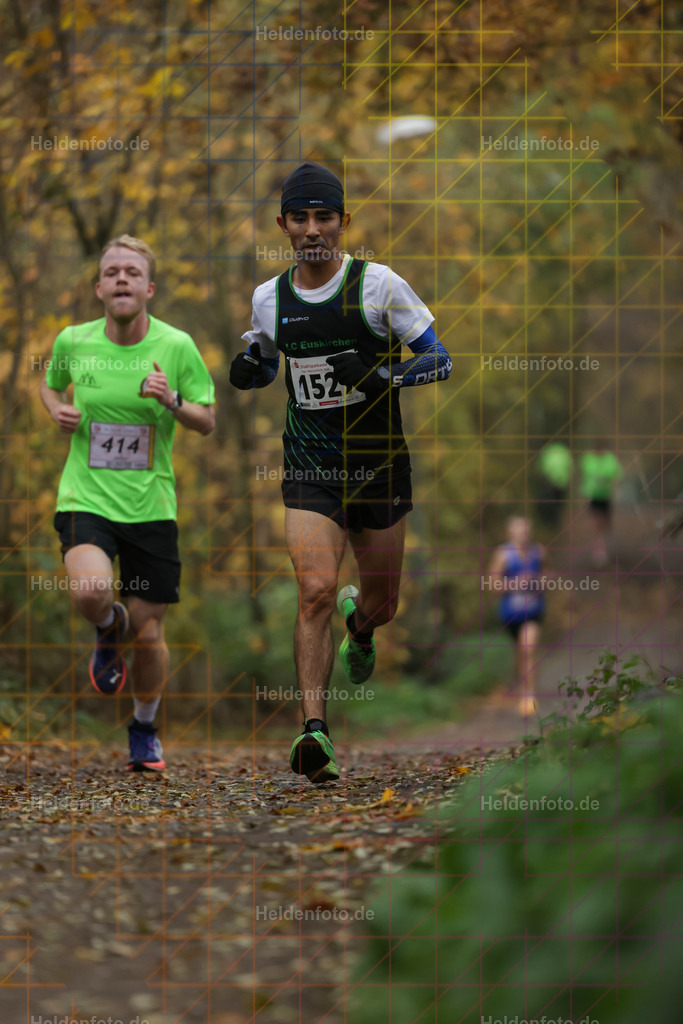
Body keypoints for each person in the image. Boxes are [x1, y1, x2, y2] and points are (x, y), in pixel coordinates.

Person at [229, 162, 451, 783]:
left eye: (324, 216)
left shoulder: (378, 285)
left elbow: (440, 359)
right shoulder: (270, 298)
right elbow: (267, 357)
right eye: (299, 218)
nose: (311, 229)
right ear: (283, 225)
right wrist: (252, 370)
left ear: (343, 221)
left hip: (380, 468)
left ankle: (363, 626)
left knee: (383, 602)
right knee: (314, 592)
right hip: (309, 466)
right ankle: (315, 734)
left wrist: (385, 377)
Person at [40, 235, 215, 771]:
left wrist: (172, 399)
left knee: (150, 629)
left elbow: (206, 420)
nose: (121, 279)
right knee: (92, 591)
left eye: (132, 273)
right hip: (86, 497)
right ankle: (105, 624)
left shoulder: (177, 346)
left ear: (148, 288)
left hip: (151, 506)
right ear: (98, 288)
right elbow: (50, 386)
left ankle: (144, 727)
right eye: (112, 271)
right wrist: (56, 410)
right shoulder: (73, 341)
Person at [487, 515, 546, 717]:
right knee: (520, 653)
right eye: (519, 531)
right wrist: (514, 584)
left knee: (528, 649)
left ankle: (529, 696)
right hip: (510, 613)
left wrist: (539, 581)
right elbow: (492, 584)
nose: (523, 535)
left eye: (526, 531)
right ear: (510, 533)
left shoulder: (539, 551)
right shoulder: (503, 555)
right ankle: (521, 686)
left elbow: (550, 574)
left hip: (534, 611)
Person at [580, 440, 623, 566]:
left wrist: (607, 479)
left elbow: (618, 474)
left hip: (606, 496)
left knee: (605, 524)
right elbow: (584, 476)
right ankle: (599, 548)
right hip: (592, 496)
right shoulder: (587, 458)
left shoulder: (610, 460)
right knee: (596, 522)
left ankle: (603, 543)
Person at [535, 441, 572, 530]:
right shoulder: (564, 451)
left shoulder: (547, 451)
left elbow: (540, 467)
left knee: (552, 504)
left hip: (551, 483)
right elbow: (570, 467)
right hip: (561, 483)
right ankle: (554, 524)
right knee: (557, 504)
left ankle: (551, 524)